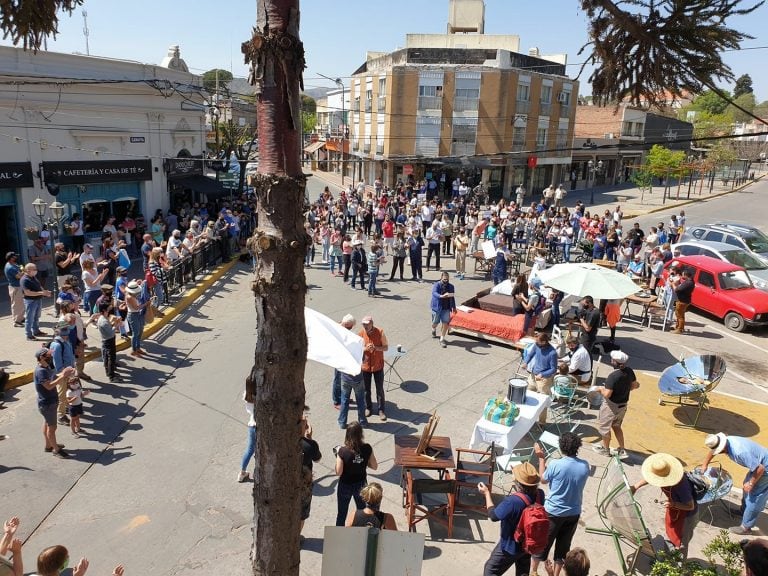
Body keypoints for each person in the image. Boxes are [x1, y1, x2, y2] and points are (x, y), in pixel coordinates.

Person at [531, 433, 590, 576]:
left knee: (542, 544)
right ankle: (555, 574)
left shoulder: (556, 464)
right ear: (577, 447)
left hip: (553, 512)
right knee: (563, 548)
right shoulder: (585, 466)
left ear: (561, 447)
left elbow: (543, 480)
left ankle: (533, 571)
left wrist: (541, 458)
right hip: (573, 513)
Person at [478, 462, 544, 576]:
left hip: (511, 546)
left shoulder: (513, 502)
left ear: (518, 483)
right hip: (528, 544)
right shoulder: (540, 494)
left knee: (490, 569)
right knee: (523, 572)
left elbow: (494, 516)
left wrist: (487, 494)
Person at [631, 453, 698, 558]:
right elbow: (652, 476)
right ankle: (668, 556)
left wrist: (674, 504)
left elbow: (690, 506)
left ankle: (677, 567)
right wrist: (636, 486)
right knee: (671, 535)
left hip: (685, 515)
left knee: (680, 542)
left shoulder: (681, 485)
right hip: (674, 509)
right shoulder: (665, 472)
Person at [701, 432, 768, 535]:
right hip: (759, 465)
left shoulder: (739, 452)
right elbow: (713, 451)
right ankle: (744, 511)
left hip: (764, 469)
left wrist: (751, 483)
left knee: (754, 496)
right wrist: (705, 464)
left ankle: (746, 527)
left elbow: (760, 469)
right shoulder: (725, 441)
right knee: (746, 487)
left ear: (722, 447)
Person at [592, 350, 639, 458]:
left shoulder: (613, 376)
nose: (611, 361)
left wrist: (600, 389)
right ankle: (622, 449)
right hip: (623, 405)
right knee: (617, 426)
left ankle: (605, 450)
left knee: (605, 429)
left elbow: (607, 394)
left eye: (612, 360)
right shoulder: (629, 371)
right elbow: (634, 385)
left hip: (611, 406)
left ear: (616, 362)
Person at [34, 347, 76, 459]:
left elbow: (54, 377)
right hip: (47, 403)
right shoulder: (41, 371)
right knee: (52, 428)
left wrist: (64, 373)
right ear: (42, 358)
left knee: (48, 423)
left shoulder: (46, 367)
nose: (51, 357)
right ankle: (56, 450)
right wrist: (63, 375)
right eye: (48, 355)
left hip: (49, 402)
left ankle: (49, 445)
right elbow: (49, 386)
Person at [335, 422, 378, 526]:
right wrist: (362, 462)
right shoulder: (367, 448)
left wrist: (337, 454)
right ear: (361, 434)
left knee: (342, 513)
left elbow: (338, 472)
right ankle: (361, 533)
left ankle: (338, 535)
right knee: (363, 512)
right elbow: (374, 466)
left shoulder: (342, 451)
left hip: (345, 485)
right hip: (361, 484)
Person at [522, 332, 558, 424]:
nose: (536, 343)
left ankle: (542, 423)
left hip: (544, 380)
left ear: (544, 342)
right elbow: (530, 354)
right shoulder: (536, 345)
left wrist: (543, 374)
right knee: (528, 396)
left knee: (542, 402)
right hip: (533, 376)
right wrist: (526, 362)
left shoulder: (552, 353)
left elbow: (553, 369)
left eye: (538, 341)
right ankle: (528, 418)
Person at [359, 316, 388, 420]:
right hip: (365, 366)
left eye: (367, 324)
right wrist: (365, 348)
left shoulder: (380, 332)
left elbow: (386, 347)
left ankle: (381, 410)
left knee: (379, 389)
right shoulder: (361, 334)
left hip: (377, 365)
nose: (365, 326)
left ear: (372, 323)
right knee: (366, 390)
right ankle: (368, 408)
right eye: (364, 324)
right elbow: (357, 348)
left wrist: (375, 348)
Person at [299, 413, 322, 543]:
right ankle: (295, 539)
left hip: (286, 484)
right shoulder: (310, 445)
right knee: (301, 515)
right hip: (304, 486)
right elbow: (318, 459)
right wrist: (310, 439)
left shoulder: (284, 442)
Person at [88, 301, 120, 382]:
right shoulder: (103, 321)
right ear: (104, 310)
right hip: (108, 340)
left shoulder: (103, 318)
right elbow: (111, 332)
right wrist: (116, 324)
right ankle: (111, 376)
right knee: (110, 359)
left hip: (107, 340)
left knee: (107, 357)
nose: (109, 310)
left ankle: (109, 372)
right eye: (108, 309)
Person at [21, 263, 51, 341]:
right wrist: (42, 293)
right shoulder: (24, 279)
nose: (36, 271)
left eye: (36, 269)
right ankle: (29, 335)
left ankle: (36, 331)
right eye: (34, 269)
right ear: (28, 270)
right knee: (29, 318)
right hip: (30, 301)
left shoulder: (33, 277)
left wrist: (45, 292)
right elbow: (27, 292)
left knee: (36, 317)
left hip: (37, 300)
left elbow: (39, 286)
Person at [332, 314, 356, 408]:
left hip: (343, 357)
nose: (351, 328)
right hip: (338, 358)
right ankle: (337, 401)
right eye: (350, 327)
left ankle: (343, 397)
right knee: (338, 379)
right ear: (346, 324)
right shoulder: (338, 330)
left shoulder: (342, 327)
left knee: (343, 379)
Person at [237, 375, 257, 483]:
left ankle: (242, 473)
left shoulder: (247, 394)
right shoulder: (260, 395)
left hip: (252, 424)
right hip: (260, 427)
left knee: (249, 450)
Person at [430, 271, 456, 348]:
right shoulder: (436, 285)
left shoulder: (451, 286)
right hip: (437, 308)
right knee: (435, 322)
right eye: (444, 279)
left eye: (447, 279)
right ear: (441, 278)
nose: (446, 281)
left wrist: (454, 307)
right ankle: (433, 328)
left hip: (446, 308)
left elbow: (452, 297)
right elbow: (434, 293)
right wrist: (441, 296)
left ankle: (442, 339)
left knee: (445, 323)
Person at [125, 280, 150, 357]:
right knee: (135, 333)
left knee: (140, 330)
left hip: (136, 314)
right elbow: (136, 308)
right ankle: (133, 350)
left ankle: (137, 348)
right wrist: (145, 304)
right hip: (133, 314)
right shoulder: (130, 297)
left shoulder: (130, 295)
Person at [571, 295, 600, 360]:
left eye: (584, 304)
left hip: (588, 337)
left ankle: (588, 368)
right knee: (586, 353)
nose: (583, 306)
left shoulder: (593, 313)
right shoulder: (591, 310)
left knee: (586, 354)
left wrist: (581, 318)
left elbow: (588, 328)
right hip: (587, 335)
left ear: (589, 303)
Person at [671, 268, 694, 334]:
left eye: (683, 274)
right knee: (678, 314)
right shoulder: (689, 281)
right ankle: (677, 327)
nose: (682, 275)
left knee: (680, 315)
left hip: (682, 301)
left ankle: (680, 329)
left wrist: (673, 284)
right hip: (683, 300)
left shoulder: (688, 283)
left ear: (686, 275)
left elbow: (677, 290)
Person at [5, 252, 25, 328]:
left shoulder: (14, 264)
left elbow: (19, 269)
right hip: (15, 288)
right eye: (15, 257)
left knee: (21, 303)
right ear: (11, 258)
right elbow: (19, 276)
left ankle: (21, 318)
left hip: (19, 286)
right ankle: (16, 321)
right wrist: (24, 271)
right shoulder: (10, 267)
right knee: (16, 305)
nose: (16, 257)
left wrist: (21, 269)